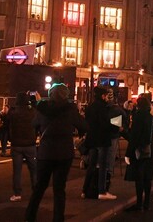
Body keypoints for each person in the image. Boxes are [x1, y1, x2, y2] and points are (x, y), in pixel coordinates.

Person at [24, 83, 87, 222]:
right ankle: (58, 218)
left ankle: (30, 216)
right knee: (59, 189)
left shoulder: (43, 110)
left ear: (51, 94)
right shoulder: (70, 110)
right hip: (64, 153)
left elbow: (34, 124)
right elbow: (84, 125)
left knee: (40, 187)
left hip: (46, 152)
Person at [82, 86, 120, 200]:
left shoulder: (90, 107)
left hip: (92, 139)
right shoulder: (103, 108)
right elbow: (105, 124)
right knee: (103, 166)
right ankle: (102, 191)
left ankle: (85, 190)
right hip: (102, 140)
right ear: (103, 96)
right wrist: (117, 127)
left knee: (91, 166)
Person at [124, 94, 153, 212]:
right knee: (147, 178)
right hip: (149, 151)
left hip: (140, 151)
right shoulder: (152, 118)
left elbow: (134, 136)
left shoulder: (139, 117)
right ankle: (147, 203)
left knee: (139, 178)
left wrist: (128, 153)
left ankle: (139, 203)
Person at [8, 91, 37, 202]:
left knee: (17, 170)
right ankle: (35, 190)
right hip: (30, 144)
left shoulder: (13, 112)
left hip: (16, 144)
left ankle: (17, 193)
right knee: (34, 169)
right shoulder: (32, 112)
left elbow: (7, 122)